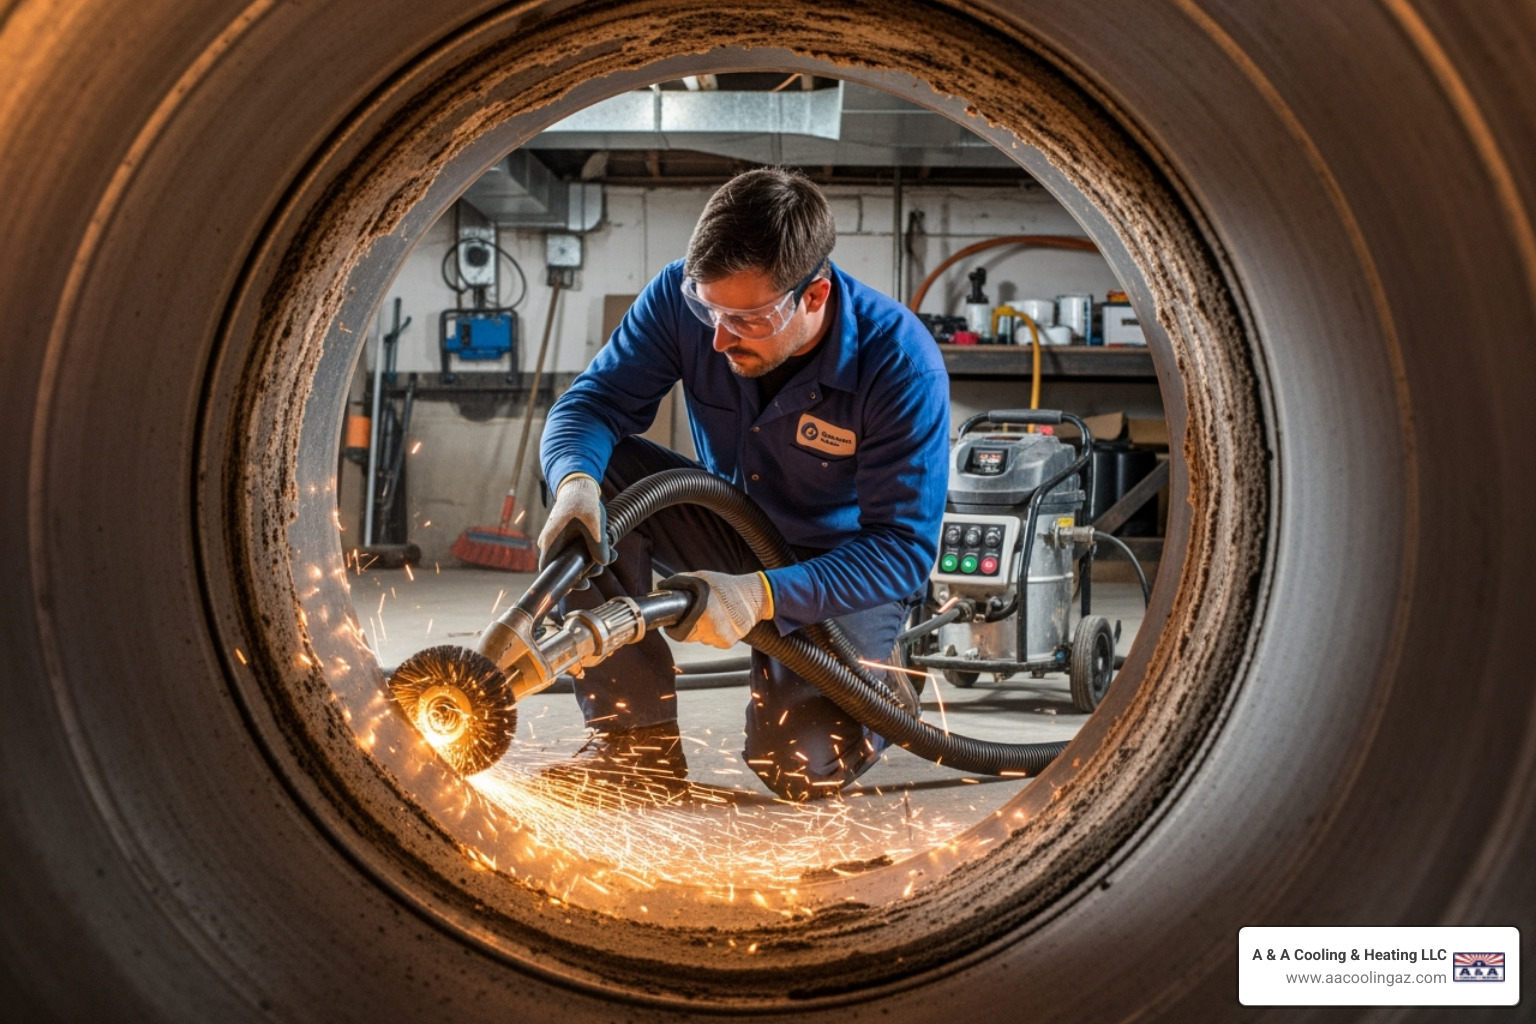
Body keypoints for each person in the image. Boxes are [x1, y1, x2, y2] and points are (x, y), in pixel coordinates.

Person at [537, 166, 949, 799]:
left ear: (813, 297)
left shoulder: (900, 363)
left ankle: (885, 686)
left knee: (799, 767)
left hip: (842, 572)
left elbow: (902, 549)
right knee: (601, 470)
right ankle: (634, 745)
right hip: (732, 526)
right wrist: (573, 483)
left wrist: (759, 597)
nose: (720, 337)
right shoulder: (683, 303)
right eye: (708, 310)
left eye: (748, 319)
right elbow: (592, 406)